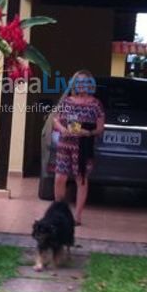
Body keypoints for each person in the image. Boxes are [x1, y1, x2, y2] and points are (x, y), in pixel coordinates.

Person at [53, 70, 105, 225]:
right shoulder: (67, 101)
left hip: (83, 146)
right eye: (79, 82)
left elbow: (100, 128)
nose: (82, 85)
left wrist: (88, 132)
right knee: (59, 178)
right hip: (65, 143)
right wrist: (63, 129)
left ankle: (77, 216)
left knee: (81, 178)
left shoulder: (96, 104)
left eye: (86, 82)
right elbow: (56, 119)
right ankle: (59, 212)